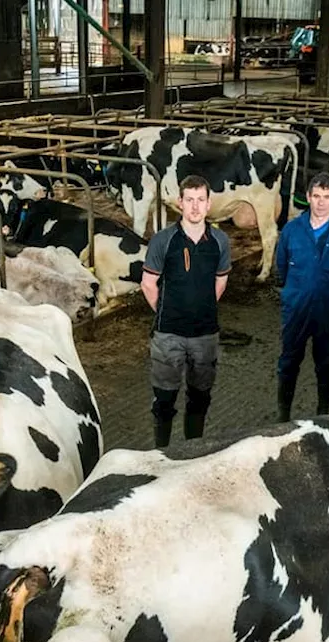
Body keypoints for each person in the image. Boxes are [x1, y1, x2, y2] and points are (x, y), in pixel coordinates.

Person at [140, 175, 232, 448]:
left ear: (208, 204)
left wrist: (202, 306)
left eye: (200, 200)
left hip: (205, 333)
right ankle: (162, 454)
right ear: (179, 203)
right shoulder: (163, 240)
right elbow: (148, 283)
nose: (195, 207)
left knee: (200, 397)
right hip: (168, 334)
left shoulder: (220, 240)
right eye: (189, 200)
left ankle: (193, 450)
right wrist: (168, 311)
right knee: (164, 400)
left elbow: (221, 279)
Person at [273, 172, 329, 421]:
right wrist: (298, 289)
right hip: (296, 306)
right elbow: (282, 268)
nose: (321, 202)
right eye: (317, 196)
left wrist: (323, 285)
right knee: (289, 361)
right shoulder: (291, 230)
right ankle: (283, 415)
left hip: (328, 308)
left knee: (325, 364)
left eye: (327, 197)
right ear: (308, 198)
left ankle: (323, 413)